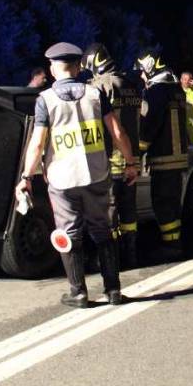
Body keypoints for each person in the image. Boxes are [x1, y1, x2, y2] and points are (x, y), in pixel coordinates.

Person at [16, 42, 138, 308]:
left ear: (52, 68)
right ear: (79, 67)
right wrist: (131, 163)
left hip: (62, 180)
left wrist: (26, 176)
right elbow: (118, 133)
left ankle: (78, 292)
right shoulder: (95, 95)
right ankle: (113, 290)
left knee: (69, 233)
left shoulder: (45, 100)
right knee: (103, 230)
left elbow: (37, 144)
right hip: (96, 175)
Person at [82, 42, 142, 268]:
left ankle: (111, 261)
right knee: (129, 213)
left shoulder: (101, 86)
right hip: (131, 160)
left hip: (109, 161)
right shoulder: (130, 84)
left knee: (109, 214)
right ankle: (132, 255)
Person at [136, 49, 188, 249]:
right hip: (179, 156)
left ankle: (171, 246)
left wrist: (139, 149)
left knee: (162, 203)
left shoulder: (155, 92)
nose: (141, 75)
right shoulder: (176, 90)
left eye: (142, 70)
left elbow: (151, 123)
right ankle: (175, 241)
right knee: (173, 203)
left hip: (163, 157)